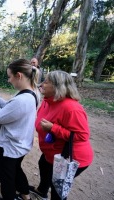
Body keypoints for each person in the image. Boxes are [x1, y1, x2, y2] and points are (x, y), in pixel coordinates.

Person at [29, 70, 94, 200]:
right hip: (53, 153)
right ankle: (42, 191)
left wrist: (54, 128)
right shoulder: (48, 101)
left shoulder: (72, 108)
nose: (42, 84)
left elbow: (82, 136)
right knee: (44, 164)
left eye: (46, 81)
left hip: (70, 157)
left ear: (58, 86)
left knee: (57, 189)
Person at [0, 59, 40, 200]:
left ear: (19, 75)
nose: (9, 80)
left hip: (9, 147)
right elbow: (11, 109)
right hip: (20, 144)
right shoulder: (32, 93)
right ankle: (25, 196)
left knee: (6, 179)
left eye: (10, 77)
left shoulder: (22, 100)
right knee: (16, 171)